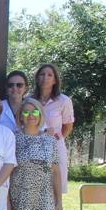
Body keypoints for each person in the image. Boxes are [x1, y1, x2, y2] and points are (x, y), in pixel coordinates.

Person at [0, 70, 28, 210]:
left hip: (24, 165)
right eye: (11, 85)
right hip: (1, 164)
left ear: (25, 88)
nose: (15, 89)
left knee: (17, 207)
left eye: (19, 85)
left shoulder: (31, 107)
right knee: (1, 207)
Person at [33, 64, 74, 195]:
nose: (45, 77)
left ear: (55, 80)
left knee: (55, 186)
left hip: (55, 147)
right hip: (34, 146)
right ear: (37, 78)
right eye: (42, 74)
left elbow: (68, 125)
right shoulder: (30, 100)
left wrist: (57, 138)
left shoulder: (64, 101)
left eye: (50, 75)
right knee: (36, 186)